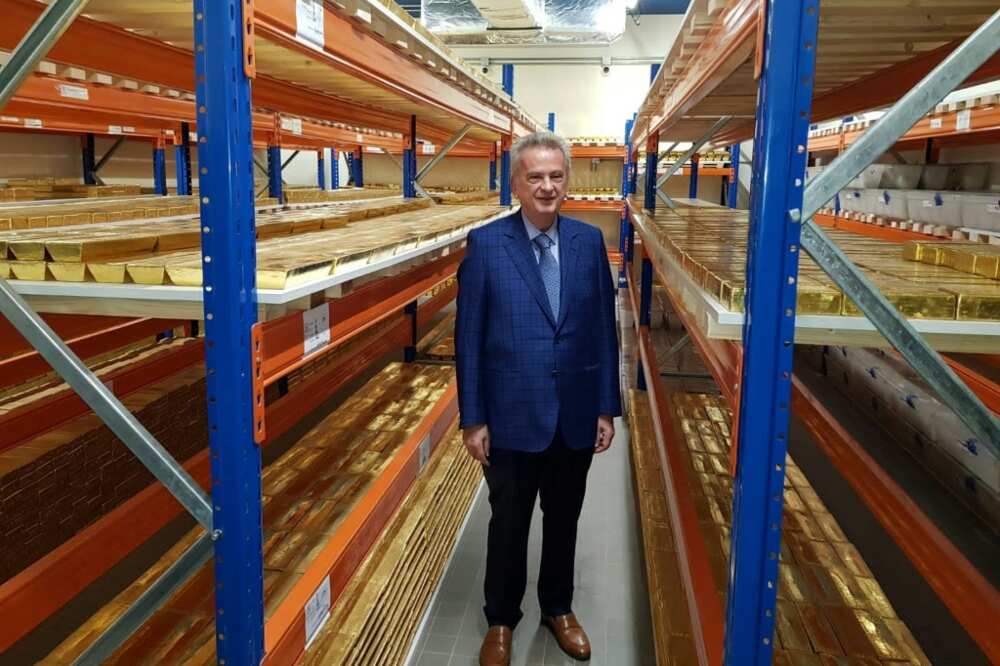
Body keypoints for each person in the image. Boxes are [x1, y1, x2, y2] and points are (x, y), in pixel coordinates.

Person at [455, 131, 622, 665]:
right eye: (535, 177)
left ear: (566, 181)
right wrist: (473, 418)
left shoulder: (587, 242)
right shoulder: (486, 246)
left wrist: (605, 406)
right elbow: (468, 339)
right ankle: (501, 619)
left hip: (574, 412)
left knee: (565, 515)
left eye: (556, 176)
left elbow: (603, 328)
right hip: (511, 416)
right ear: (516, 184)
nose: (547, 187)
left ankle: (558, 607)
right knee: (508, 521)